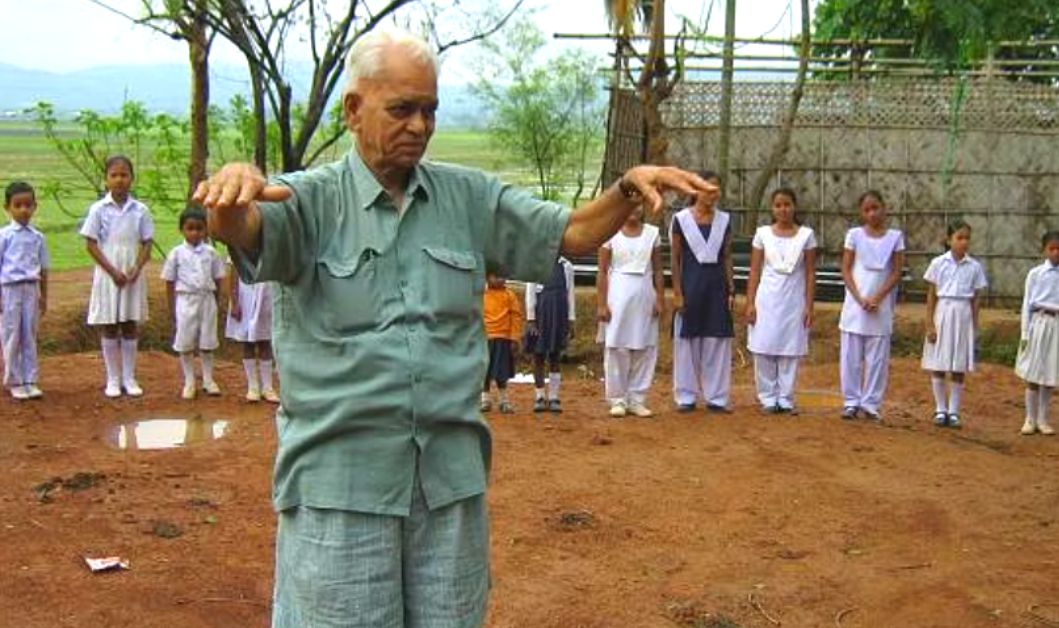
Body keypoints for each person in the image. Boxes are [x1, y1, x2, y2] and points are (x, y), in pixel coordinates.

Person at [193, 30, 712, 628]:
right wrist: (230, 198)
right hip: (340, 488)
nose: (419, 125)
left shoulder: (467, 198)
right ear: (354, 111)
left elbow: (569, 233)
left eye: (430, 110)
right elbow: (247, 226)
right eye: (402, 109)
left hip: (448, 485)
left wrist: (627, 187)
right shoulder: (307, 201)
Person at [80, 155, 154, 398]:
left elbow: (146, 244)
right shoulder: (98, 209)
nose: (119, 180)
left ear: (132, 178)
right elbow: (90, 244)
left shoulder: (140, 210)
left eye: (124, 175)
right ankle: (112, 378)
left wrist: (135, 269)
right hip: (108, 272)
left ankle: (130, 377)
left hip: (132, 272)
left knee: (129, 323)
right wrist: (112, 271)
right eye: (114, 175)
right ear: (106, 179)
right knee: (110, 324)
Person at [745, 187, 816, 415]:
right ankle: (767, 397)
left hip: (793, 298)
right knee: (764, 346)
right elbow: (754, 271)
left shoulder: (806, 235)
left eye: (787, 205)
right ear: (772, 208)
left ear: (794, 207)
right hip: (767, 297)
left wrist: (809, 305)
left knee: (789, 347)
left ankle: (785, 397)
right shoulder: (762, 234)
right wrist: (750, 302)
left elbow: (810, 273)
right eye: (778, 205)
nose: (783, 209)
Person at [838, 190, 905, 422]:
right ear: (861, 213)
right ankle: (850, 401)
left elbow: (896, 271)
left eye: (875, 208)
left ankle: (871, 403)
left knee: (877, 358)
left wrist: (878, 297)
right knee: (850, 356)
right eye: (867, 210)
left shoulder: (895, 237)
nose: (872, 213)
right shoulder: (854, 235)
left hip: (880, 305)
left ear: (884, 208)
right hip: (856, 304)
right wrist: (859, 297)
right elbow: (846, 269)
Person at [671, 170, 734, 413]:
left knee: (716, 339)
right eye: (706, 189)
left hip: (716, 287)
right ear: (695, 190)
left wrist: (731, 289)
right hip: (691, 285)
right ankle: (686, 395)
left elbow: (727, 256)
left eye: (715, 190)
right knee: (687, 340)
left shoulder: (724, 221)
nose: (711, 194)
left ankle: (716, 396)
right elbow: (675, 259)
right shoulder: (681, 220)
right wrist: (677, 292)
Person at [597, 202, 663, 417]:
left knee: (644, 347)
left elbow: (659, 271)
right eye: (629, 206)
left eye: (638, 206)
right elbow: (602, 271)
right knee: (617, 347)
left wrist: (660, 298)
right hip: (618, 295)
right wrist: (601, 303)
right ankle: (617, 399)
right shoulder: (609, 233)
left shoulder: (652, 234)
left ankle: (637, 398)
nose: (633, 210)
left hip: (644, 294)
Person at [922, 220, 988, 429]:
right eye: (959, 237)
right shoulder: (938, 264)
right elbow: (932, 295)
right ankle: (940, 408)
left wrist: (974, 324)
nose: (963, 242)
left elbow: (976, 298)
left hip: (963, 315)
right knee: (939, 362)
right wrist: (930, 324)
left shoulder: (974, 267)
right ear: (949, 240)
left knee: (959, 364)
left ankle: (954, 410)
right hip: (943, 311)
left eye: (967, 238)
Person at [1014, 231, 1059, 436]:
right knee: (1033, 372)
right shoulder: (1035, 274)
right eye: (1051, 249)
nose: (1055, 253)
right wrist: (1025, 332)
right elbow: (1027, 303)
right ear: (1044, 250)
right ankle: (1029, 418)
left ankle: (1043, 418)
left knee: (1050, 373)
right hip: (1039, 323)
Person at [162, 208, 225, 399]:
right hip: (185, 300)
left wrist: (218, 300)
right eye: (190, 229)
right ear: (182, 230)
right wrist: (172, 306)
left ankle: (208, 379)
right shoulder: (176, 254)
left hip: (206, 298)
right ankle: (189, 381)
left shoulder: (211, 253)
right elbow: (169, 280)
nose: (195, 233)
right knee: (186, 340)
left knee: (207, 340)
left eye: (199, 229)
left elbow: (219, 277)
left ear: (206, 230)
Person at [1, 181, 49, 400]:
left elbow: (44, 268)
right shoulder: (4, 236)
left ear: (35, 206)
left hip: (31, 288)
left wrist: (44, 296)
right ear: (7, 207)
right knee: (12, 334)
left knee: (29, 333)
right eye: (18, 205)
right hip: (10, 289)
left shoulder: (38, 237)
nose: (23, 210)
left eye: (28, 205)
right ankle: (14, 379)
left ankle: (30, 379)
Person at [524, 256, 575, 413]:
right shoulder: (535, 263)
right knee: (538, 355)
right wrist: (531, 318)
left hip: (559, 313)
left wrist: (571, 319)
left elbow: (570, 294)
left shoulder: (567, 266)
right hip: (541, 313)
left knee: (555, 355)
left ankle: (553, 397)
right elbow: (530, 292)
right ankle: (539, 396)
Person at [226, 265, 279, 403]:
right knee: (247, 341)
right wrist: (235, 300)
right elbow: (234, 272)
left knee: (265, 340)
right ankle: (252, 387)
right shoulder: (239, 248)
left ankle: (268, 387)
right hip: (246, 295)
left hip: (266, 294)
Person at [483, 265, 523, 414]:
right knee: (484, 372)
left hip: (503, 338)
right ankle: (485, 399)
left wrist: (514, 338)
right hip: (485, 338)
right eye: (495, 276)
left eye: (502, 276)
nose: (499, 279)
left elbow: (516, 317)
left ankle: (504, 400)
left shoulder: (509, 295)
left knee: (502, 372)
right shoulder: (481, 295)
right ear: (487, 277)